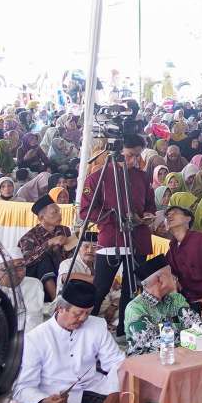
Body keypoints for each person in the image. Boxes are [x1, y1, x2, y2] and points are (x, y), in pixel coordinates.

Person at [13, 280, 125, 403]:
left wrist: (114, 391)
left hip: (92, 390)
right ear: (60, 309)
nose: (83, 319)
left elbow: (116, 361)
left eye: (88, 313)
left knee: (131, 398)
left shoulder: (97, 325)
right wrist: (44, 400)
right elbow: (23, 387)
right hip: (56, 399)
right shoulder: (35, 339)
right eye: (78, 313)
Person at [80, 133, 155, 331]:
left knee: (131, 289)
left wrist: (147, 215)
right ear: (117, 153)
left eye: (138, 156)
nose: (134, 160)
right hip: (110, 239)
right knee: (100, 287)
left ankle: (125, 329)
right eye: (130, 155)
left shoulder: (142, 177)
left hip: (137, 239)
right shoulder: (98, 177)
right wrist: (116, 217)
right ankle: (83, 326)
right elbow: (86, 211)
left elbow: (150, 206)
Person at [122, 255, 191, 357]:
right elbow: (153, 343)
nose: (175, 278)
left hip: (181, 356)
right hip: (147, 365)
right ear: (160, 280)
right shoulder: (135, 308)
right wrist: (190, 338)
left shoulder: (177, 299)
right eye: (171, 274)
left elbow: (196, 326)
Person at [15, 195, 75, 301]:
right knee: (44, 260)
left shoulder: (64, 230)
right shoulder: (29, 237)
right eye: (54, 212)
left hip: (62, 271)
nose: (59, 215)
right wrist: (49, 243)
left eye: (59, 211)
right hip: (40, 278)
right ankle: (55, 300)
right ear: (41, 217)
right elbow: (27, 260)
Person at [0, 252, 45, 333]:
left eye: (20, 266)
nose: (14, 273)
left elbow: (33, 321)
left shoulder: (33, 284)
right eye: (8, 269)